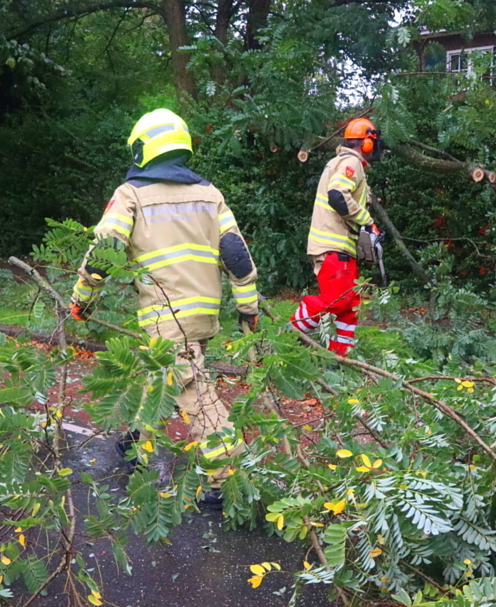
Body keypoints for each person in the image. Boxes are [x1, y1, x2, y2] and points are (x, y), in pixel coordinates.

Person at [68, 108, 259, 509]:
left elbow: (106, 251)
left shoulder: (131, 195)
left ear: (143, 148)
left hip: (166, 315)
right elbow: (237, 256)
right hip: (204, 313)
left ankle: (228, 478)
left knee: (194, 391)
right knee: (163, 371)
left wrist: (82, 299)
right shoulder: (210, 194)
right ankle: (138, 437)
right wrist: (248, 311)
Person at [290, 117, 385, 357]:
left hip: (343, 247)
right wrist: (367, 220)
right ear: (367, 143)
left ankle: (340, 358)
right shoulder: (350, 162)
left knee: (350, 304)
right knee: (337, 301)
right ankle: (287, 335)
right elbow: (337, 195)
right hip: (333, 244)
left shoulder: (345, 163)